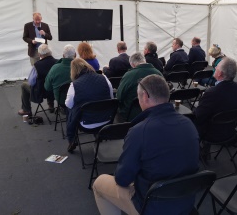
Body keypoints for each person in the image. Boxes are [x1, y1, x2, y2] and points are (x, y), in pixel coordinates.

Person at [93, 75, 199, 215]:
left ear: (145, 96)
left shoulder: (139, 131)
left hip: (152, 206)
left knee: (99, 183)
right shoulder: (189, 124)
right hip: (186, 201)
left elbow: (122, 179)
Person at [65, 58, 113, 152]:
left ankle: (71, 139)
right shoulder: (104, 78)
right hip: (107, 119)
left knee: (70, 110)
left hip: (87, 123)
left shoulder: (74, 85)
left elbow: (68, 104)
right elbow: (111, 98)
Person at [195, 57, 237, 142]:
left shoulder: (212, 93)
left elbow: (199, 116)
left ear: (220, 74)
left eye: (217, 67)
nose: (214, 68)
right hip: (230, 130)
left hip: (211, 133)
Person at [116, 52, 162, 121]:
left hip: (132, 115)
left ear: (132, 64)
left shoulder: (129, 75)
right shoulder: (158, 73)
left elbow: (119, 97)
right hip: (155, 113)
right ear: (145, 61)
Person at [18, 44, 58, 116]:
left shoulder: (37, 65)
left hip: (41, 92)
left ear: (39, 54)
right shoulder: (58, 63)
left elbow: (31, 82)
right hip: (55, 91)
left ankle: (26, 110)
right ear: (50, 52)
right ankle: (51, 105)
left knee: (24, 85)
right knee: (51, 82)